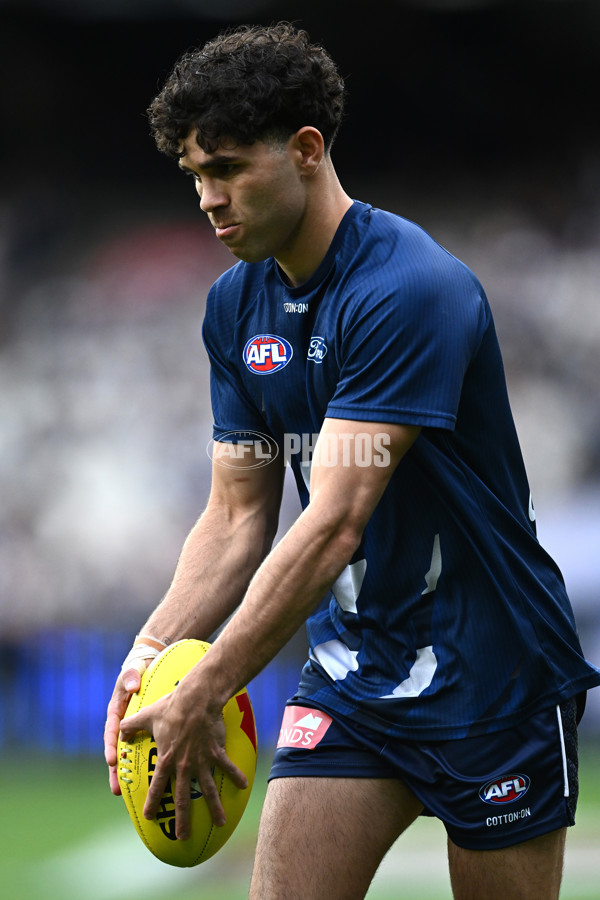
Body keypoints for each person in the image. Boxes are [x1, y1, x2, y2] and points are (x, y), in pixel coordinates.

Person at [104, 22, 600, 899]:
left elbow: (333, 522)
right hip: (355, 675)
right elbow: (235, 518)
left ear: (305, 150)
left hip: (495, 677)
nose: (209, 200)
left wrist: (211, 682)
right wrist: (153, 651)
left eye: (227, 170)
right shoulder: (234, 307)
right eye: (195, 178)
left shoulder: (408, 290)